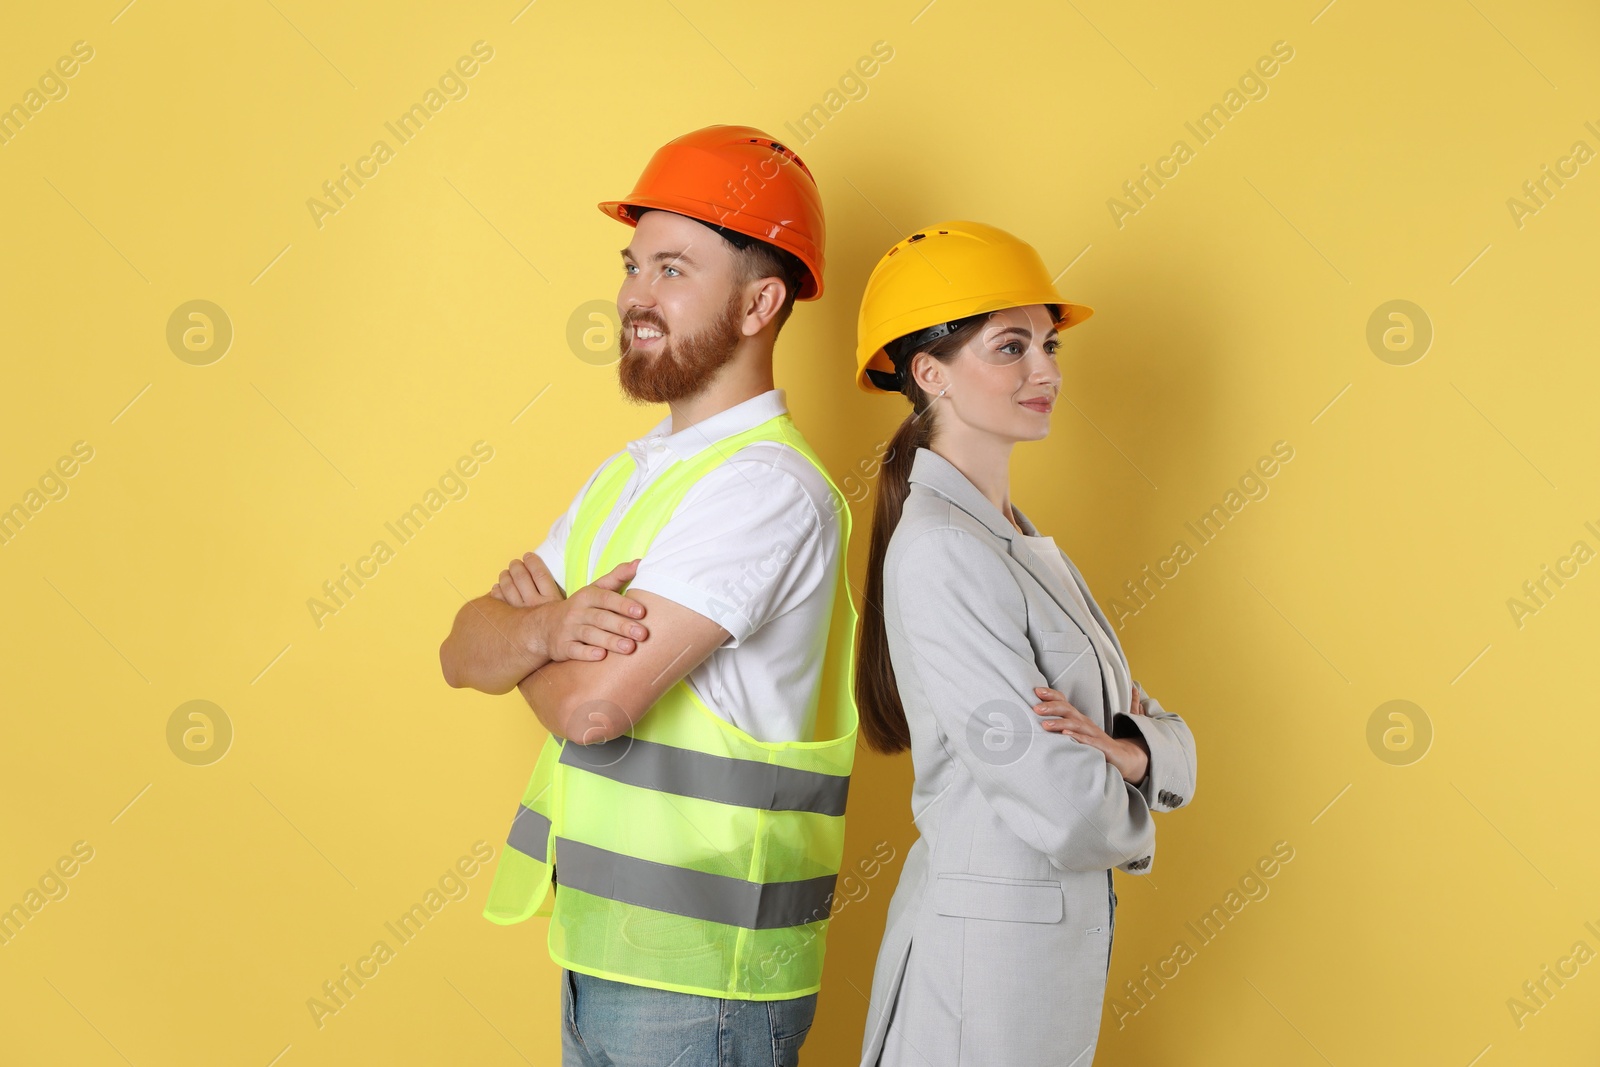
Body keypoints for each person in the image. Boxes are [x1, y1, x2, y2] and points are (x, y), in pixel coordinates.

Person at [438, 124, 860, 1067]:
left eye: (673, 268)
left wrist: (535, 649)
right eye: (633, 265)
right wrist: (551, 623)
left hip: (710, 975)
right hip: (604, 951)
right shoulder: (627, 476)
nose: (633, 295)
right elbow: (461, 647)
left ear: (760, 303)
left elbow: (593, 709)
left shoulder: (766, 488)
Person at [850, 221, 1199, 1066]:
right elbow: (1067, 800)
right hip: (983, 985)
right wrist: (1128, 764)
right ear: (930, 372)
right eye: (1011, 347)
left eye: (1047, 343)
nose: (1046, 369)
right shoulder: (941, 548)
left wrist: (1136, 754)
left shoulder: (1013, 537)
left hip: (1030, 972)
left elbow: (1150, 733)